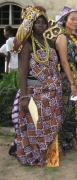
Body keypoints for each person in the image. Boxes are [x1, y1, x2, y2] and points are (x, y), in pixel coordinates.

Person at [10, 5, 62, 166]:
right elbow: (23, 72)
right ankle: (33, 157)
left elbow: (54, 68)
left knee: (49, 125)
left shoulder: (50, 43)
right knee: (34, 126)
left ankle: (49, 156)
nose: (40, 25)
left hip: (51, 94)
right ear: (31, 25)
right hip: (33, 93)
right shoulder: (27, 44)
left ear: (47, 25)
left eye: (43, 22)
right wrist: (24, 96)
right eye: (37, 22)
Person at [55, 6, 77, 152]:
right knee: (65, 110)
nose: (75, 22)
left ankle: (73, 141)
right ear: (65, 20)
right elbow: (64, 61)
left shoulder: (74, 37)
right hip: (67, 79)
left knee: (74, 111)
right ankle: (59, 144)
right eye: (72, 19)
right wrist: (72, 83)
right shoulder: (62, 37)